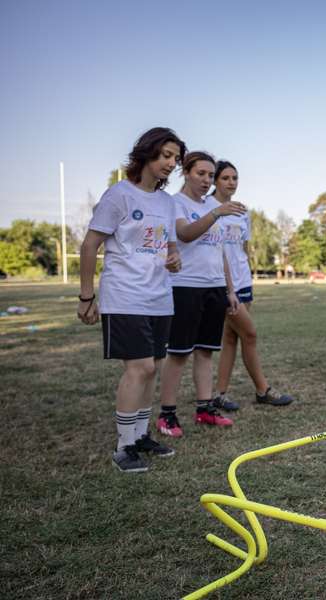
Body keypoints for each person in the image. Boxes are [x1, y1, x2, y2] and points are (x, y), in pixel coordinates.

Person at [77, 127, 186, 472]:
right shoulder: (118, 196)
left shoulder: (168, 203)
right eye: (166, 155)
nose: (171, 163)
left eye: (175, 159)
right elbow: (90, 246)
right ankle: (123, 447)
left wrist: (174, 259)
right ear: (147, 153)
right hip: (124, 296)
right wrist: (86, 296)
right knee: (140, 369)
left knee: (152, 369)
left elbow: (170, 249)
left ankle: (140, 436)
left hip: (159, 297)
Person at [156, 151, 247, 437]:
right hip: (185, 286)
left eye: (210, 175)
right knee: (179, 353)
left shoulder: (209, 205)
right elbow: (184, 234)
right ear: (185, 172)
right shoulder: (175, 204)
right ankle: (167, 415)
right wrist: (216, 212)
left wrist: (229, 290)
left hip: (215, 287)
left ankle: (204, 409)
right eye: (201, 174)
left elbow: (219, 251)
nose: (207, 180)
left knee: (206, 352)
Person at [210, 160, 294, 410]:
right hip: (223, 283)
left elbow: (243, 246)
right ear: (215, 181)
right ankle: (263, 389)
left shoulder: (242, 211)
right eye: (225, 178)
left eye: (235, 178)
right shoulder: (207, 208)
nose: (231, 182)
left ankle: (220, 394)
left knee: (231, 338)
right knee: (249, 333)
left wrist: (245, 271)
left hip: (243, 280)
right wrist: (228, 286)